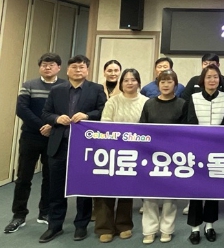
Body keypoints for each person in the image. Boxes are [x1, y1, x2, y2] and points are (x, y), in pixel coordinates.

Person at [39, 55, 106, 243]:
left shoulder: (96, 89)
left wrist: (87, 115)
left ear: (87, 70)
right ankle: (55, 226)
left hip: (84, 147)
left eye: (82, 67)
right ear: (67, 70)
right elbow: (45, 113)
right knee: (56, 188)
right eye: (74, 67)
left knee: (83, 187)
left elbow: (103, 112)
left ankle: (81, 225)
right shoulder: (57, 90)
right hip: (59, 144)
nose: (78, 70)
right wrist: (56, 119)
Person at [4, 53, 65, 234]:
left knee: (50, 177)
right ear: (40, 67)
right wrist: (42, 126)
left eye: (51, 64)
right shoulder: (29, 85)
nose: (47, 67)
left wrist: (51, 126)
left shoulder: (64, 87)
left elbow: (65, 111)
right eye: (44, 64)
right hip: (30, 137)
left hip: (54, 138)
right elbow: (22, 109)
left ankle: (45, 212)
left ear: (59, 67)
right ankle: (19, 215)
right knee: (24, 177)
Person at [94, 68, 147, 243]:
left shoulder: (146, 102)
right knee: (105, 190)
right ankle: (105, 228)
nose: (130, 83)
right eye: (126, 80)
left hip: (133, 152)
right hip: (111, 150)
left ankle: (124, 225)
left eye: (133, 80)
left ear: (139, 82)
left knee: (126, 190)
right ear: (121, 83)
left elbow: (147, 129)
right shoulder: (113, 101)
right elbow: (105, 124)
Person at [185, 63, 224, 244]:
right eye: (208, 77)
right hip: (197, 149)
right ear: (202, 80)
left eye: (215, 77)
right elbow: (191, 123)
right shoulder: (194, 97)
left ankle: (210, 226)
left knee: (213, 190)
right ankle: (195, 228)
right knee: (196, 189)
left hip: (217, 150)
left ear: (220, 80)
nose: (212, 80)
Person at [139, 69, 185, 244]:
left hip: (173, 155)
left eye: (169, 82)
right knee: (149, 194)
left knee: (169, 195)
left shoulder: (182, 104)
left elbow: (186, 131)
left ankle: (167, 229)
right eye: (162, 82)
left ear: (175, 84)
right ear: (158, 84)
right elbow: (142, 128)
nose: (166, 85)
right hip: (151, 154)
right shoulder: (149, 104)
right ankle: (149, 230)